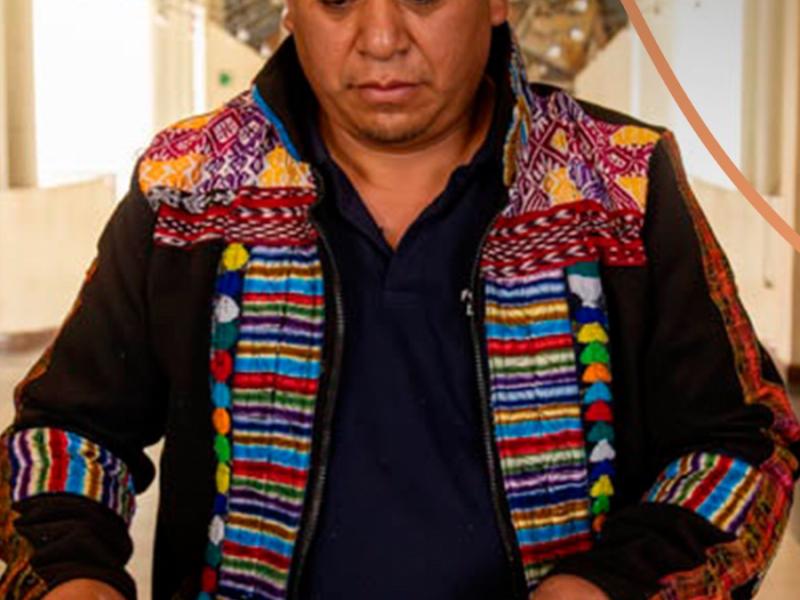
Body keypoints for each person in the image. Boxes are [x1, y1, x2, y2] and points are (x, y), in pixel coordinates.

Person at [1, 1, 798, 599]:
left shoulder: (620, 182)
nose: (381, 39)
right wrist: (73, 577)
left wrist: (603, 587)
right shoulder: (188, 184)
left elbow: (745, 446)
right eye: (337, 0)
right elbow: (66, 433)